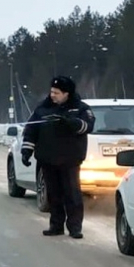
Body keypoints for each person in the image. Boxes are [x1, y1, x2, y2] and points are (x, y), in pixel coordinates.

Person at [21, 75, 94, 239]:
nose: (52, 95)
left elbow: (88, 126)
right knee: (53, 195)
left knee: (72, 194)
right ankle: (56, 225)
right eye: (52, 91)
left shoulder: (80, 108)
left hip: (70, 159)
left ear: (66, 93)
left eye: (57, 92)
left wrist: (70, 122)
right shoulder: (42, 109)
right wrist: (26, 151)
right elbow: (31, 131)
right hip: (47, 159)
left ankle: (75, 227)